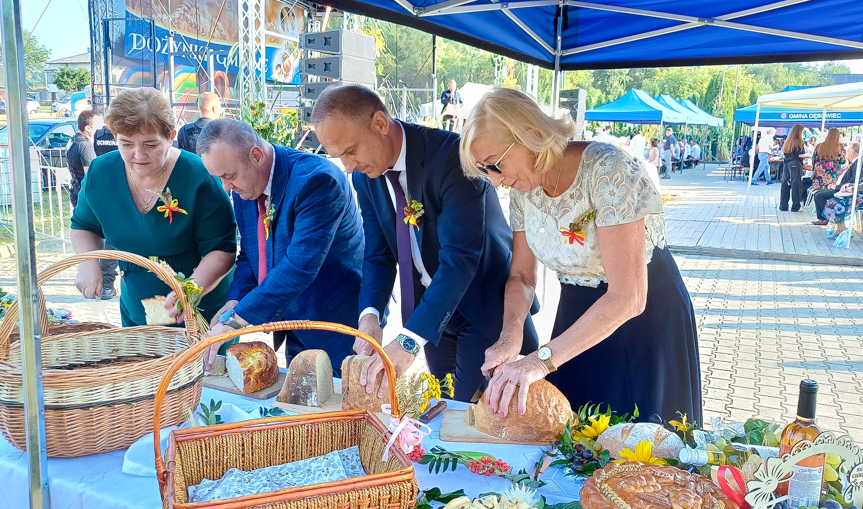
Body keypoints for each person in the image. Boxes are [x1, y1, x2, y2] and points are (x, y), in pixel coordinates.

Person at [460, 87, 701, 423]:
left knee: (638, 451)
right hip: (576, 314)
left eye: (496, 165)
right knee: (573, 443)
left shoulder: (609, 171)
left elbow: (629, 298)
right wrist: (511, 335)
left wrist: (540, 360)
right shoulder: (524, 188)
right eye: (487, 171)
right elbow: (522, 276)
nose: (497, 181)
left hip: (643, 321)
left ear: (532, 135)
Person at [311, 85, 539, 401]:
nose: (348, 167)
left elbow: (459, 261)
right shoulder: (366, 175)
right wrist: (370, 315)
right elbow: (377, 255)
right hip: (432, 314)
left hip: (484, 305)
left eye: (351, 151)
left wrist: (407, 342)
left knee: (472, 413)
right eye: (339, 157)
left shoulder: (452, 158)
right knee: (442, 403)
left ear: (379, 123)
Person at [197, 119, 364, 370]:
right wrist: (234, 302)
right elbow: (250, 256)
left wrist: (235, 321)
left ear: (256, 155)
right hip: (292, 323)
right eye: (219, 178)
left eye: (229, 176)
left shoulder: (317, 180)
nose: (226, 187)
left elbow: (299, 265)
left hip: (338, 323)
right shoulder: (245, 188)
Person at [70, 87, 237, 327]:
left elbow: (222, 250)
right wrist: (88, 263)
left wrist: (188, 294)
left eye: (150, 144)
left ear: (171, 135)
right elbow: (83, 226)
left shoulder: (198, 175)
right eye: (126, 144)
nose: (138, 155)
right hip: (137, 309)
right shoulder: (101, 172)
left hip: (201, 309)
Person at [67, 110, 119, 300]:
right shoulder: (85, 147)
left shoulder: (74, 141)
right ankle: (106, 284)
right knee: (111, 242)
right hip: (93, 197)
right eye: (98, 125)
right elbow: (92, 174)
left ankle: (105, 282)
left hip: (80, 193)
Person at [820, 142, 860, 237]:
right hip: (852, 190)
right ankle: (840, 228)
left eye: (848, 151)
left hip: (857, 193)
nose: (846, 153)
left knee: (834, 203)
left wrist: (850, 187)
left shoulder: (859, 163)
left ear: (853, 152)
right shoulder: (855, 163)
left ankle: (842, 229)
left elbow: (856, 181)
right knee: (832, 202)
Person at [779, 124, 806, 212]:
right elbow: (799, 154)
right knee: (796, 185)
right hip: (796, 163)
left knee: (785, 184)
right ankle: (795, 206)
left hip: (786, 164)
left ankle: (783, 205)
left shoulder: (788, 141)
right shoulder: (799, 142)